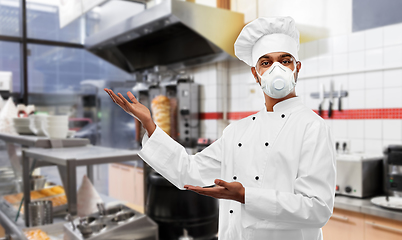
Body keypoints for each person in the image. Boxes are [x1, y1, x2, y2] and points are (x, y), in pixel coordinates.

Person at [105, 16, 336, 240]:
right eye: (266, 63)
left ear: (297, 68)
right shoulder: (237, 131)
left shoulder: (312, 127)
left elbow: (317, 208)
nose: (277, 69)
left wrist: (246, 196)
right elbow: (189, 171)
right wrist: (149, 124)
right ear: (255, 74)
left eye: (285, 61)